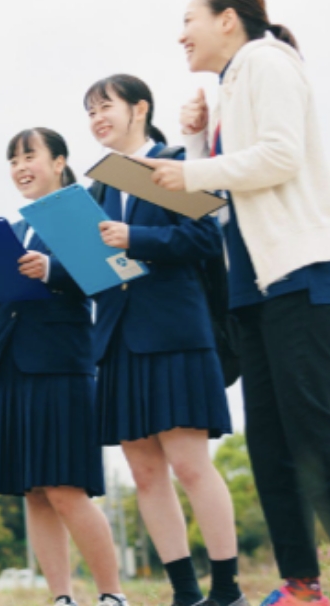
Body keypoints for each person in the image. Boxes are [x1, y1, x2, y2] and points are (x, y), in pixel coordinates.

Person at [140, 0, 330, 606]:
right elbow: (215, 205)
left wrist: (194, 165)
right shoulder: (232, 85)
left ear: (230, 21)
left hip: (303, 273)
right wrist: (193, 142)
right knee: (270, 444)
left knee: (315, 430)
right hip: (255, 289)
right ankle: (302, 586)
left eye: (189, 19)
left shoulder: (267, 61)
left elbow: (280, 157)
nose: (180, 34)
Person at [85, 75, 246, 606]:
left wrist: (138, 239)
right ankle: (185, 593)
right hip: (118, 336)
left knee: (190, 465)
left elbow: (205, 237)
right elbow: (98, 267)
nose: (97, 118)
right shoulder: (100, 187)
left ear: (139, 109)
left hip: (175, 332)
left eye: (105, 106)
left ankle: (227, 590)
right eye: (90, 111)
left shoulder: (174, 163)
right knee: (145, 473)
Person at [0, 128, 129, 606]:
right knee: (34, 491)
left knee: (65, 487)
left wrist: (51, 270)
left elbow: (105, 282)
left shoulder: (82, 215)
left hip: (61, 365)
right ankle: (61, 597)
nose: (20, 166)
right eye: (13, 158)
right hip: (12, 364)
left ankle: (111, 595)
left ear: (59, 161)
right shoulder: (16, 230)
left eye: (29, 156)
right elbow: (6, 305)